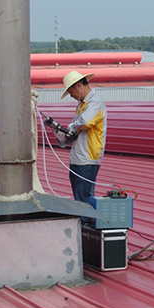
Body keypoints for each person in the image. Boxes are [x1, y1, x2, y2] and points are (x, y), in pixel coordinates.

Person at [53, 71, 107, 211]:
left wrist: (70, 128)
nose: (72, 96)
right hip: (78, 158)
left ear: (79, 85)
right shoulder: (81, 105)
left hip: (88, 159)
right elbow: (75, 132)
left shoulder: (95, 101)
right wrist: (58, 131)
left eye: (72, 93)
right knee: (79, 198)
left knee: (84, 199)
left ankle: (85, 226)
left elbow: (85, 121)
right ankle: (84, 225)